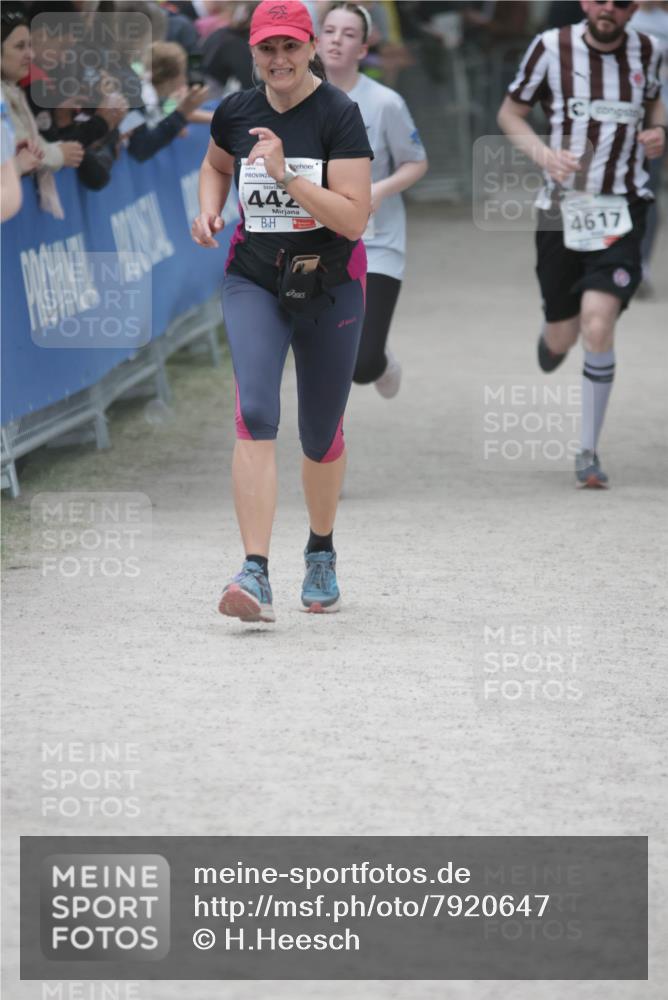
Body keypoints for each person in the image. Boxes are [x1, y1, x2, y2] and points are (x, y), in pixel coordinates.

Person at [191, 0, 372, 621]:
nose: (279, 60)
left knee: (320, 435)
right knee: (257, 410)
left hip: (331, 283)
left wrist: (286, 174)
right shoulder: (236, 112)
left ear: (312, 48)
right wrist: (209, 208)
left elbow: (352, 217)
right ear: (253, 52)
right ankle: (254, 571)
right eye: (267, 48)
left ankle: (320, 549)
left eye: (290, 47)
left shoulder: (339, 115)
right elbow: (214, 165)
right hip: (255, 280)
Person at [498, 0, 666, 488]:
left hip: (623, 206)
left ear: (635, 8)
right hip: (561, 208)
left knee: (598, 324)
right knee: (564, 334)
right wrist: (543, 155)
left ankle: (587, 452)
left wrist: (658, 131)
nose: (609, 9)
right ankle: (554, 333)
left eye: (623, 2)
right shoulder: (550, 47)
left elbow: (655, 102)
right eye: (600, 0)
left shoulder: (650, 50)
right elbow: (510, 113)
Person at [318, 2, 427, 397]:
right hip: (321, 241)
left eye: (348, 35)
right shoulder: (297, 99)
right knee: (327, 352)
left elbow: (416, 163)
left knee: (363, 366)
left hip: (376, 240)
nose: (336, 41)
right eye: (329, 31)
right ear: (315, 40)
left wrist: (378, 190)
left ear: (363, 49)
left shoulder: (384, 103)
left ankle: (382, 359)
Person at [1, 9, 83, 219]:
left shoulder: (12, 89)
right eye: (20, 47)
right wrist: (59, 154)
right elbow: (21, 147)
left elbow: (28, 146)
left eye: (29, 45)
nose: (30, 54)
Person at [631, 1, 668, 292]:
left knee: (649, 192)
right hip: (622, 119)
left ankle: (641, 264)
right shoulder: (621, 16)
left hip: (659, 122)